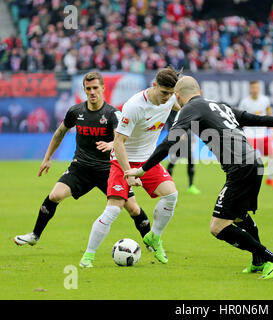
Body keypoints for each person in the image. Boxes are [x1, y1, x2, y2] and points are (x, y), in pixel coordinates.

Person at [124, 76, 273, 279]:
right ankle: (258, 260)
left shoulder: (190, 109)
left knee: (218, 227)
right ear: (199, 91)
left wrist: (142, 170)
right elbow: (258, 119)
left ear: (178, 95)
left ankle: (272, 258)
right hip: (253, 163)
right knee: (239, 216)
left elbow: (170, 141)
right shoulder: (220, 106)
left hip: (240, 168)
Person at [14, 72, 151, 247]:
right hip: (81, 167)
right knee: (55, 195)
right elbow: (60, 133)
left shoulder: (112, 114)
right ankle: (34, 235)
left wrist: (111, 144)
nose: (92, 92)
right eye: (88, 89)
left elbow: (120, 138)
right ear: (84, 90)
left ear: (102, 88)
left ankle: (150, 241)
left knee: (133, 209)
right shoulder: (76, 111)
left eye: (95, 88)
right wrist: (47, 158)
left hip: (109, 170)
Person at [79, 67, 182, 268]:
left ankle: (154, 237)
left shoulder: (169, 99)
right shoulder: (134, 106)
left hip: (147, 161)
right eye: (164, 93)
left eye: (171, 93)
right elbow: (118, 143)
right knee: (113, 211)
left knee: (171, 195)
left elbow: (182, 105)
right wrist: (129, 174)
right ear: (154, 86)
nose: (167, 97)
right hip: (122, 160)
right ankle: (88, 257)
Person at [238, 80, 273, 191]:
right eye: (253, 88)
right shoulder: (244, 102)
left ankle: (270, 179)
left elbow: (269, 114)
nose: (255, 90)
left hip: (263, 134)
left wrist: (272, 129)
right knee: (248, 160)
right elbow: (239, 117)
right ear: (250, 89)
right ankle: (245, 180)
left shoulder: (265, 100)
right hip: (250, 134)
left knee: (272, 155)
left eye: (257, 87)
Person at [165, 112, 201, 195]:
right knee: (172, 161)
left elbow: (190, 122)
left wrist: (192, 136)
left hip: (187, 137)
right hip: (177, 138)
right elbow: (170, 122)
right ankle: (166, 184)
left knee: (191, 161)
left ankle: (191, 186)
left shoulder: (186, 108)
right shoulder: (172, 110)